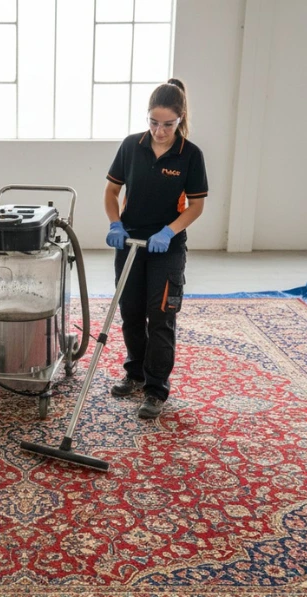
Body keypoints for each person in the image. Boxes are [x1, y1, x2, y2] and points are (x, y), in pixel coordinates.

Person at [103, 78, 208, 420]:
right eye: (153, 122)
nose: (159, 131)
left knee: (161, 316)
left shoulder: (190, 155)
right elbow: (111, 192)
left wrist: (169, 231)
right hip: (130, 242)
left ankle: (156, 388)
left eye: (168, 125)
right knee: (131, 312)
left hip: (167, 247)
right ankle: (135, 373)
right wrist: (115, 223)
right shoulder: (131, 146)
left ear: (180, 119)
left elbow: (196, 205)